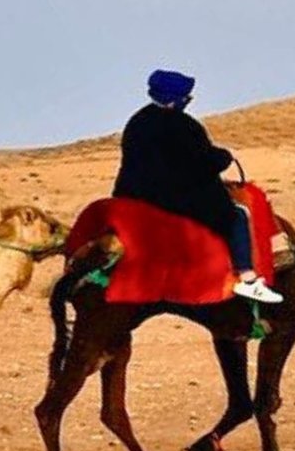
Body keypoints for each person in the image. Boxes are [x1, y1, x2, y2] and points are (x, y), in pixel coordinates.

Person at [114, 69, 282, 305]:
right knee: (237, 215)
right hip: (173, 203)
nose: (188, 101)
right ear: (176, 99)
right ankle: (247, 279)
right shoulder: (184, 126)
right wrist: (224, 156)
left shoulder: (137, 122)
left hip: (132, 200)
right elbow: (202, 163)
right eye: (186, 97)